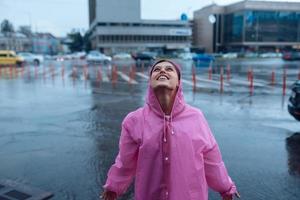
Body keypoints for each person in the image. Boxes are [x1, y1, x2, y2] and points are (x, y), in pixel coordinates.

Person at [101, 59, 240, 200]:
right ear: (150, 82)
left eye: (169, 69)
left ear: (178, 82)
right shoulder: (134, 120)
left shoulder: (196, 117)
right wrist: (113, 187)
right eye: (156, 69)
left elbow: (212, 159)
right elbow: (125, 162)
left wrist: (226, 187)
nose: (162, 71)